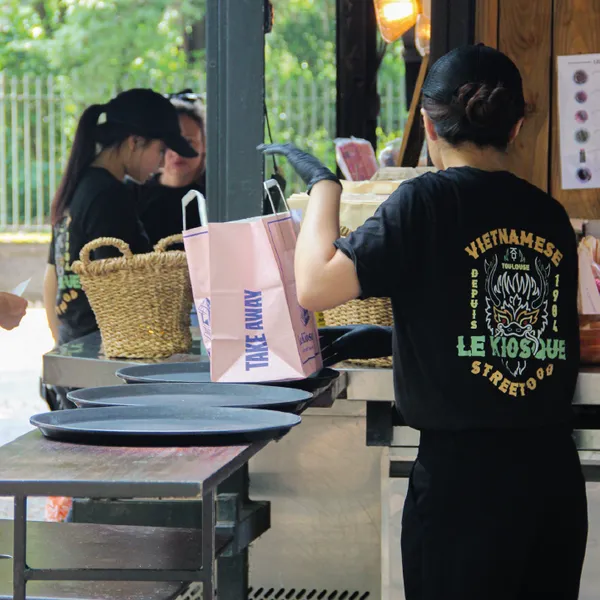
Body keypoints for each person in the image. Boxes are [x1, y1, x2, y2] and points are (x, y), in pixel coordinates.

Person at [261, 44, 587, 600]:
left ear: (430, 130)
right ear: (516, 128)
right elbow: (520, 331)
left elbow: (314, 286)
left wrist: (323, 188)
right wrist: (408, 335)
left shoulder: (426, 201)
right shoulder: (550, 216)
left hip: (465, 491)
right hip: (553, 482)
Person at [43, 88, 198, 408]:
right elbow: (130, 287)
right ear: (134, 142)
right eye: (160, 150)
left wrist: (61, 343)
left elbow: (52, 276)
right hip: (107, 356)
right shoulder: (108, 196)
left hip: (75, 347)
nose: (160, 164)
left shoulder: (80, 184)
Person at [134, 90, 206, 245]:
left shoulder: (216, 196)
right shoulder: (135, 196)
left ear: (204, 144)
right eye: (169, 143)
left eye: (188, 142)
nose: (177, 152)